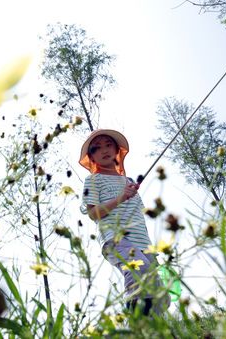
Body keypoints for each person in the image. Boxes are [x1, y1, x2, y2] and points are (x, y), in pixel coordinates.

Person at [79, 129, 168, 315]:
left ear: (117, 151)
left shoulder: (127, 181)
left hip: (143, 242)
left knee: (159, 293)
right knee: (139, 271)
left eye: (108, 145)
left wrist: (129, 193)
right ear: (92, 158)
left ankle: (152, 331)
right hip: (117, 238)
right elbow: (93, 213)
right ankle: (135, 327)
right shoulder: (93, 180)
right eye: (97, 148)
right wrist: (121, 197)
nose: (104, 150)